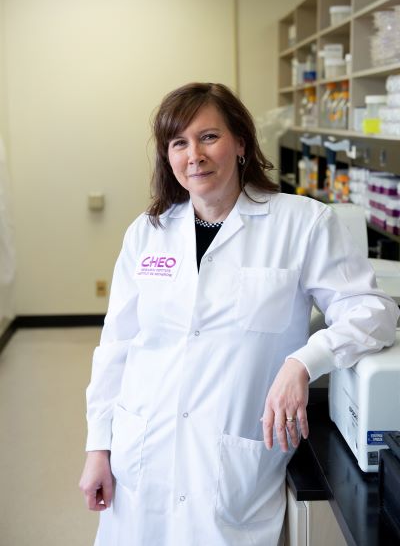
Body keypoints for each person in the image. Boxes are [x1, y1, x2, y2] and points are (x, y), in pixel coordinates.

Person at [79, 82, 398, 546]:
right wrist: (97, 448)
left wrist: (303, 362)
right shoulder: (147, 233)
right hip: (141, 454)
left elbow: (373, 312)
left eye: (209, 137)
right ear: (167, 156)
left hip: (230, 464)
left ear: (241, 143)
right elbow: (116, 348)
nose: (195, 155)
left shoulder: (302, 223)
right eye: (179, 142)